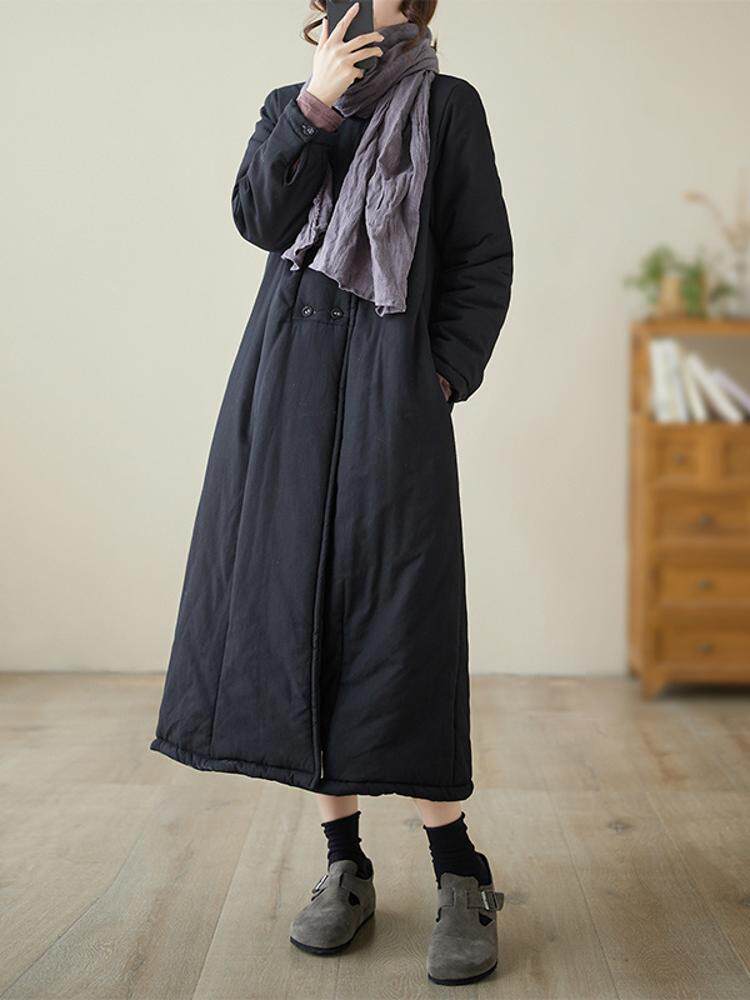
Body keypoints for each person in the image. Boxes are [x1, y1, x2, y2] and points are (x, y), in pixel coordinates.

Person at [150, 0, 512, 985]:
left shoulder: (446, 106)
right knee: (291, 611)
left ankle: (459, 869)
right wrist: (313, 106)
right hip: (287, 392)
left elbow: (482, 256)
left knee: (401, 619)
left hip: (394, 395)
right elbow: (257, 219)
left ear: (415, 8)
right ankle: (344, 862)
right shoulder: (291, 104)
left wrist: (440, 377)